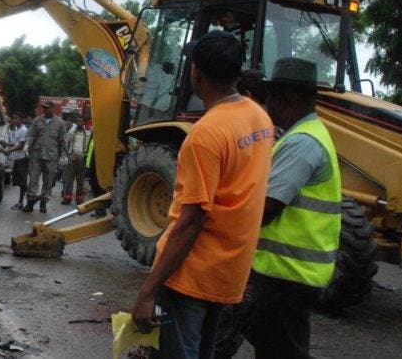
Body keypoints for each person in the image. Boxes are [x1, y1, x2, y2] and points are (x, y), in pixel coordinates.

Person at [131, 30, 274, 359]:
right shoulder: (259, 119)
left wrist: (148, 290)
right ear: (238, 72)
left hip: (189, 275)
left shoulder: (206, 135)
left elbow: (192, 219)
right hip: (227, 273)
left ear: (196, 73)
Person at [247, 58, 342, 358]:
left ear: (284, 100)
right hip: (293, 271)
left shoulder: (302, 142)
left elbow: (267, 208)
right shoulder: (307, 135)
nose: (268, 108)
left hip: (287, 272)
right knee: (277, 346)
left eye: (271, 100)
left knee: (282, 350)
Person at [24, 100, 67, 213]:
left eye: (47, 108)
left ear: (52, 108)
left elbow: (63, 140)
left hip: (51, 156)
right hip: (36, 155)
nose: (45, 109)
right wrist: (27, 144)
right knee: (33, 179)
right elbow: (30, 134)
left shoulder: (60, 123)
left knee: (48, 181)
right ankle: (30, 202)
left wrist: (63, 155)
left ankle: (43, 202)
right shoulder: (37, 120)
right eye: (43, 108)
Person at [0, 113, 29, 210]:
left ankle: (22, 202)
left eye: (16, 118)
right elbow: (15, 143)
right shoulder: (17, 129)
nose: (14, 120)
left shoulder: (23, 130)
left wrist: (6, 150)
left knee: (22, 182)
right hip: (17, 158)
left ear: (20, 120)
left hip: (22, 158)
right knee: (19, 182)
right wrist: (6, 144)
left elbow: (21, 146)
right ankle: (31, 197)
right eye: (13, 118)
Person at [61, 116, 90, 205]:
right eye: (78, 121)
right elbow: (67, 144)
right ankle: (67, 198)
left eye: (81, 121)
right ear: (76, 122)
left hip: (82, 157)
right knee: (69, 179)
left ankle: (79, 199)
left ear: (83, 122)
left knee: (80, 180)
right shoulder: (71, 132)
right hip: (72, 157)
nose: (79, 123)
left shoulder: (88, 134)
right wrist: (66, 155)